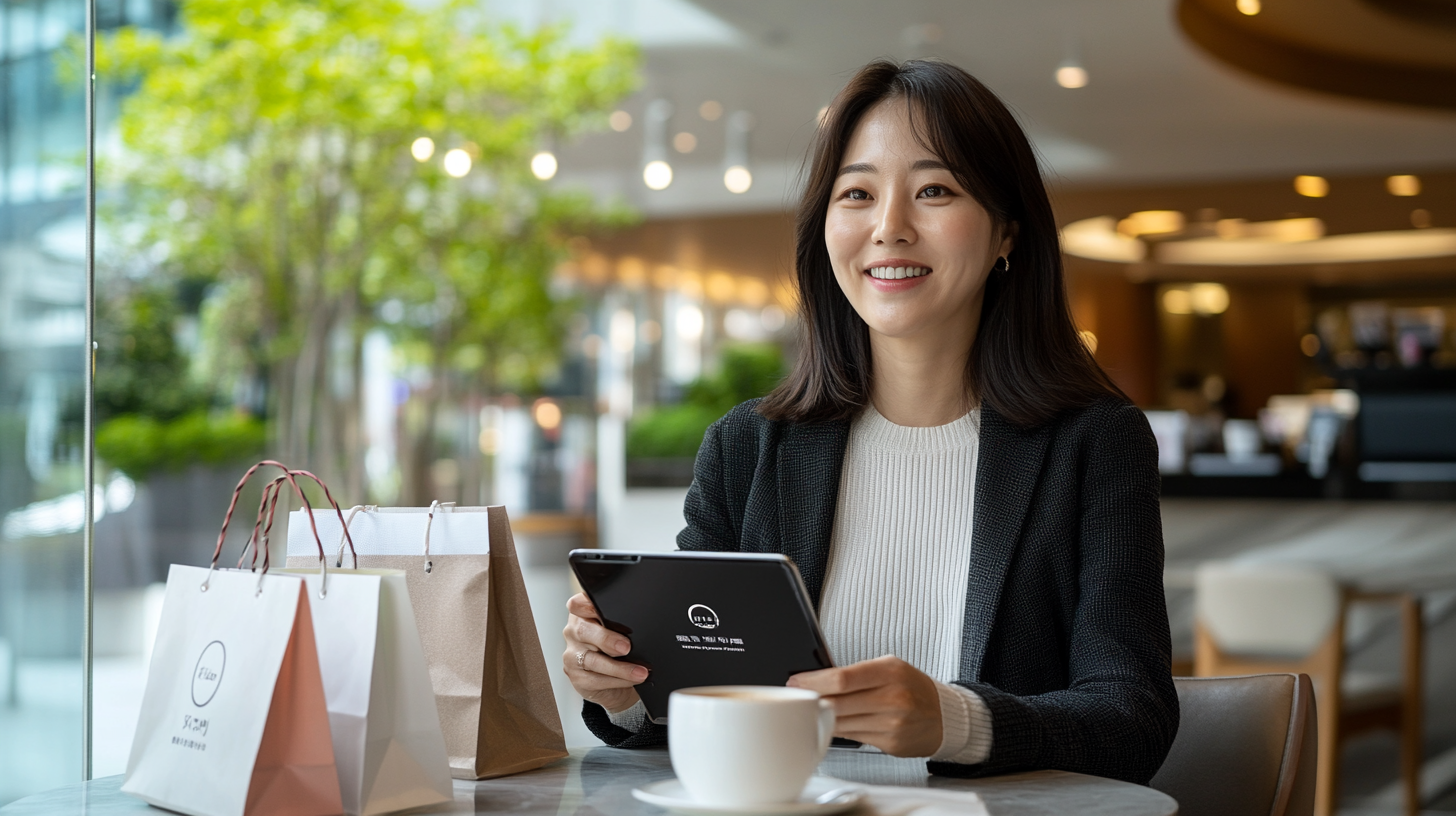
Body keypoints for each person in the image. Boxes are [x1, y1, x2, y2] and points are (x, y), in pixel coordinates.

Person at [561, 58, 1178, 784]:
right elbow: (692, 703)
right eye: (856, 193)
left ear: (1007, 234)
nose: (890, 228)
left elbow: (1131, 718)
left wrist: (953, 720)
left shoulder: (1094, 444)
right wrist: (627, 688)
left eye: (935, 190)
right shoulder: (748, 448)